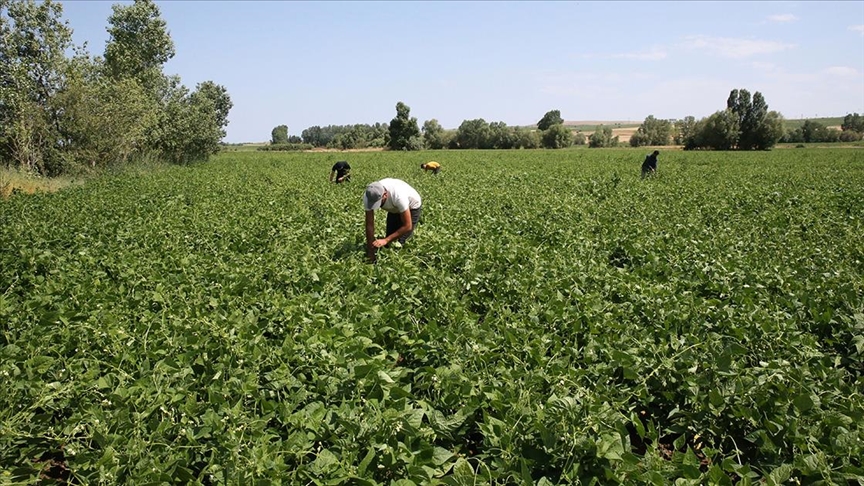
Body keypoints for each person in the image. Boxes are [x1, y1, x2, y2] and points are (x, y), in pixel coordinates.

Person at [363, 178, 422, 262]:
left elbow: (407, 226)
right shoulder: (369, 196)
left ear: (385, 195)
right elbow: (369, 224)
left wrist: (386, 240)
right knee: (389, 241)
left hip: (412, 206)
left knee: (400, 242)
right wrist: (370, 251)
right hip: (394, 209)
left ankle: (398, 265)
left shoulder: (398, 195)